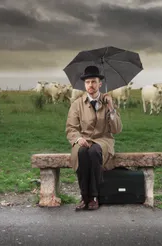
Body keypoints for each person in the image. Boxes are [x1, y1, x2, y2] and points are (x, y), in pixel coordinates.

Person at [65, 65, 123, 211]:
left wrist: (111, 108)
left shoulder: (108, 102)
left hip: (103, 140)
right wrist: (78, 139)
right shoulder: (77, 104)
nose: (90, 85)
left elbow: (116, 130)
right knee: (82, 153)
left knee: (94, 152)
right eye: (88, 82)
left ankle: (95, 196)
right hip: (83, 139)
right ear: (84, 84)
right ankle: (84, 197)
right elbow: (71, 128)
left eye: (94, 82)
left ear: (100, 84)